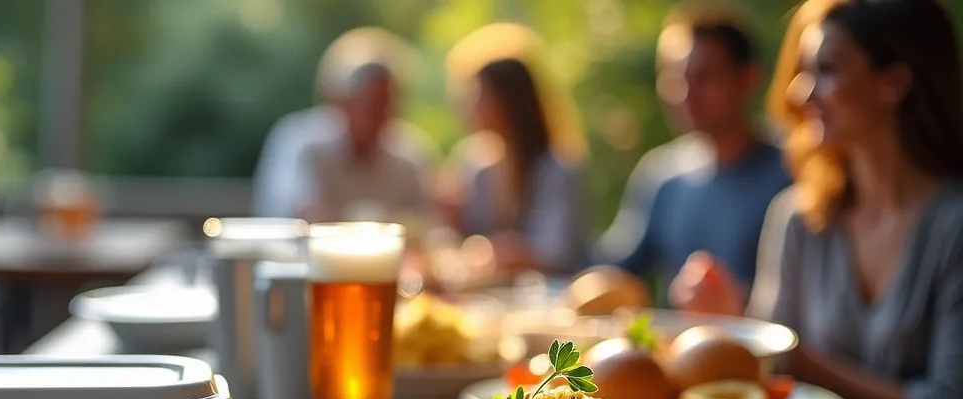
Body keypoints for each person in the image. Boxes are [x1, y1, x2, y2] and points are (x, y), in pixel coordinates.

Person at [670, 0, 963, 399]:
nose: (798, 94)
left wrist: (804, 361)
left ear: (895, 81)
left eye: (825, 69)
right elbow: (766, 381)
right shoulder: (798, 218)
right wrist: (732, 319)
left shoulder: (953, 228)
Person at [593, 3, 792, 302]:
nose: (686, 94)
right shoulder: (662, 175)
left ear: (747, 78)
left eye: (705, 76)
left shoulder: (790, 173)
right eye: (676, 78)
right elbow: (615, 270)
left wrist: (738, 302)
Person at [251, 28, 435, 220]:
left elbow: (427, 224)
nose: (384, 115)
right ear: (341, 102)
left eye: (390, 104)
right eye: (374, 104)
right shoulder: (301, 143)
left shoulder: (410, 155)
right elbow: (290, 215)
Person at [439, 42, 590, 275]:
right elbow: (459, 242)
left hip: (555, 298)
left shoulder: (557, 168)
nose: (470, 107)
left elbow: (555, 253)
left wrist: (501, 252)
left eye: (480, 97)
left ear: (509, 103)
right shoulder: (476, 166)